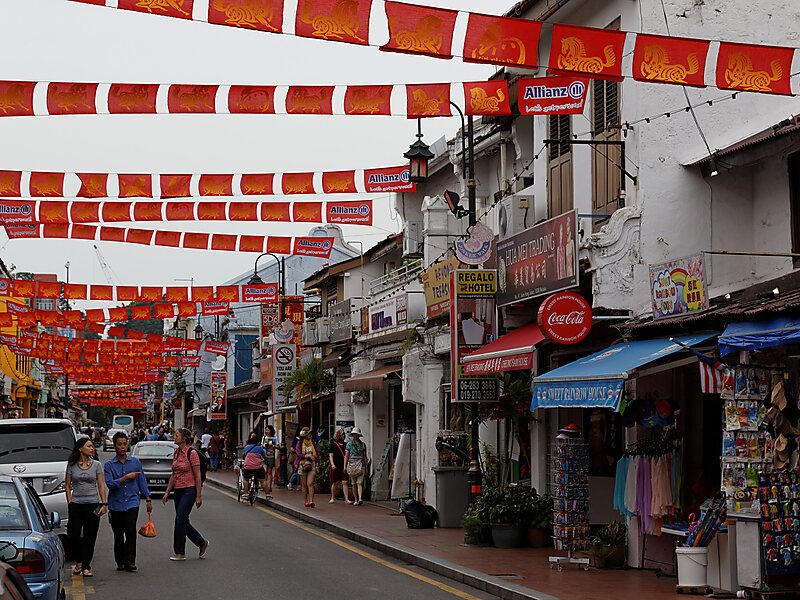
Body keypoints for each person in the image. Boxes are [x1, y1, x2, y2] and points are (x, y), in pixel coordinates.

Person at [104, 431, 152, 573]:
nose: (123, 447)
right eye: (119, 444)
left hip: (132, 502)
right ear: (115, 446)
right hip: (116, 505)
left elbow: (142, 481)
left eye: (125, 444)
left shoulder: (135, 462)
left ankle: (130, 561)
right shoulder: (109, 465)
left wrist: (148, 498)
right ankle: (120, 561)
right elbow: (110, 484)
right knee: (118, 535)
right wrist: (125, 477)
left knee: (131, 532)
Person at [163, 428, 208, 562]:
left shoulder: (192, 453)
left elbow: (198, 476)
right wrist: (167, 492)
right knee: (183, 521)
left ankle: (180, 552)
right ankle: (201, 542)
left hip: (189, 490)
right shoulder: (176, 453)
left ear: (184, 438)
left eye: (176, 436)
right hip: (178, 490)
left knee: (180, 520)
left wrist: (198, 495)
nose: (174, 437)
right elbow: (173, 474)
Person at [66, 438, 107, 577]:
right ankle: (78, 562)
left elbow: (101, 485)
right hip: (76, 504)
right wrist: (70, 502)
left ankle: (86, 566)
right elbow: (67, 485)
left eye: (92, 446)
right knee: (74, 535)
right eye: (88, 446)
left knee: (90, 536)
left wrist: (104, 503)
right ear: (80, 448)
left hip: (93, 504)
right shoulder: (71, 465)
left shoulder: (97, 465)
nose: (91, 448)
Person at [295, 427, 318, 508]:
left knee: (310, 483)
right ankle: (306, 501)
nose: (310, 435)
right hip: (302, 464)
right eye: (308, 434)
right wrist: (307, 456)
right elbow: (298, 454)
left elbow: (316, 453)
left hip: (311, 464)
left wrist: (317, 463)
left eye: (310, 434)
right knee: (304, 485)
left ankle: (311, 501)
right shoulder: (300, 443)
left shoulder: (313, 443)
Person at [345, 427, 368, 506]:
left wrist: (366, 466)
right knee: (354, 483)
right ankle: (356, 499)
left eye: (356, 434)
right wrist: (345, 466)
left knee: (359, 483)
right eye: (354, 434)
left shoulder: (362, 445)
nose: (355, 435)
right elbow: (346, 456)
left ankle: (360, 498)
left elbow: (365, 457)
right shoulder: (350, 444)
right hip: (353, 465)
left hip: (359, 465)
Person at [241, 432, 269, 498]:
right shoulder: (260, 448)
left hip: (248, 467)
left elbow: (243, 455)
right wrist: (265, 461)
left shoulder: (246, 447)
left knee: (246, 479)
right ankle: (268, 494)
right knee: (263, 480)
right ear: (258, 442)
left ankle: (245, 493)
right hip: (258, 467)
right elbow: (264, 457)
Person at [329, 428, 350, 504]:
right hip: (335, 466)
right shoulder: (333, 445)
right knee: (335, 482)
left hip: (343, 466)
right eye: (342, 435)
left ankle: (346, 499)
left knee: (345, 482)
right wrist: (332, 464)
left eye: (344, 434)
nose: (343, 436)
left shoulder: (346, 445)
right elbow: (331, 455)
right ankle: (332, 497)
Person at [263, 425, 277, 497]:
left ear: (271, 431)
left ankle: (269, 486)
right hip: (264, 456)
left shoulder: (274, 438)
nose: (266, 431)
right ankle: (264, 486)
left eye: (268, 430)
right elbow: (262, 446)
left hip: (271, 456)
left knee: (269, 471)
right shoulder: (263, 438)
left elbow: (277, 446)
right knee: (265, 471)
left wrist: (273, 446)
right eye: (266, 430)